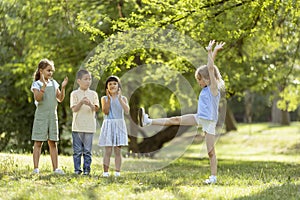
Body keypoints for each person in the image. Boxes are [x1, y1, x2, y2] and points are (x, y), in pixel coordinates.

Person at [138, 40, 225, 184]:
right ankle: (148, 121)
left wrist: (211, 51)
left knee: (210, 152)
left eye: (200, 79)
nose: (198, 81)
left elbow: (211, 68)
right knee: (175, 120)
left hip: (209, 122)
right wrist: (213, 52)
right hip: (199, 117)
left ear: (208, 79)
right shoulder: (205, 89)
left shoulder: (213, 89)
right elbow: (210, 68)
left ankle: (213, 177)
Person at [31, 58, 68, 174]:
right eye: (48, 70)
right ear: (41, 71)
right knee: (38, 142)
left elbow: (60, 99)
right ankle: (36, 168)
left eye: (52, 71)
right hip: (41, 116)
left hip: (53, 116)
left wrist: (63, 87)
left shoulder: (54, 82)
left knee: (53, 142)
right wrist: (43, 87)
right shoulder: (36, 84)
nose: (50, 73)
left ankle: (55, 168)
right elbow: (38, 98)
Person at [98, 76, 130, 177]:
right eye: (110, 84)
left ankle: (117, 172)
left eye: (114, 84)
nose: (112, 86)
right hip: (109, 124)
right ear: (107, 87)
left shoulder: (123, 98)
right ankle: (105, 172)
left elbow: (127, 110)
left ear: (118, 86)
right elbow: (105, 111)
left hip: (119, 124)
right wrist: (108, 99)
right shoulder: (104, 98)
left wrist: (120, 98)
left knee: (117, 150)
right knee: (108, 150)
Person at [70, 69, 100, 175]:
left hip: (89, 127)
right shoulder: (74, 94)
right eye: (85, 79)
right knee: (77, 151)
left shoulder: (93, 94)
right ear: (79, 81)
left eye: (89, 79)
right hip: (77, 127)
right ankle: (77, 170)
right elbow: (74, 109)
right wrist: (81, 102)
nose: (88, 81)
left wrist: (90, 104)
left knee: (87, 151)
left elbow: (96, 108)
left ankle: (87, 170)